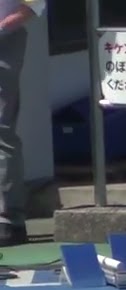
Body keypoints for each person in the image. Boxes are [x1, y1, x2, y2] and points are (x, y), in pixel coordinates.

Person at [0, 0, 44, 248]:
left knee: (1, 130)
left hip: (4, 39)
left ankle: (8, 219)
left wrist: (2, 28)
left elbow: (32, 4)